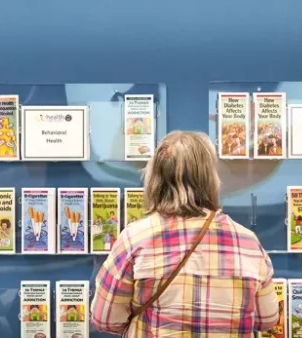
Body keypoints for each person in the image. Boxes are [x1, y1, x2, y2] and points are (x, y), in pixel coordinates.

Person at [91, 131, 279, 336]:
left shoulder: (135, 238)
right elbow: (267, 319)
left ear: (155, 177)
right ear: (210, 178)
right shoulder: (247, 242)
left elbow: (104, 319)